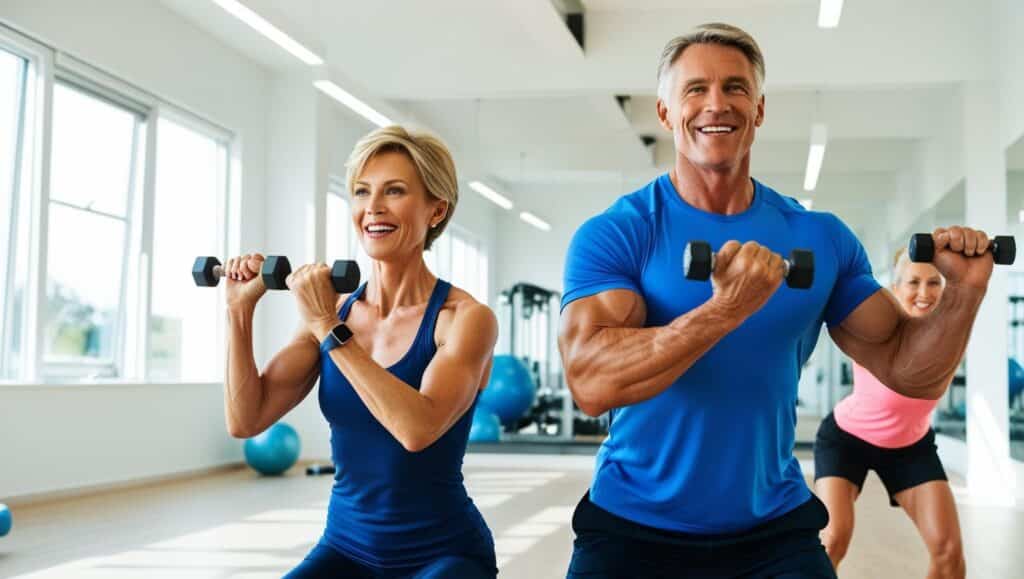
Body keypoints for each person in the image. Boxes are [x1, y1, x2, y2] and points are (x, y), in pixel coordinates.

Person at [557, 22, 994, 578]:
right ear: (666, 113)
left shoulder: (820, 237)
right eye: (695, 89)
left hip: (773, 530)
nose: (717, 103)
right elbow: (591, 385)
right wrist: (725, 311)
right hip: (631, 528)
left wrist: (965, 294)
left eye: (736, 88)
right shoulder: (619, 232)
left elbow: (912, 372)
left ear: (758, 110)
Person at [222, 125, 499, 578]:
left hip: (444, 556)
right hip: (346, 549)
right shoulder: (332, 310)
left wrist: (329, 329)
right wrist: (239, 312)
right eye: (361, 192)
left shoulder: (466, 318)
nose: (373, 207)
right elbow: (245, 419)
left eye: (394, 191)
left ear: (436, 210)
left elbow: (417, 428)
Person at [815, 248, 964, 578]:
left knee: (949, 553)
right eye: (913, 282)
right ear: (895, 289)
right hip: (846, 439)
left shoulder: (949, 336)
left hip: (911, 445)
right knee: (832, 541)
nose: (924, 293)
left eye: (933, 282)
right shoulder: (880, 327)